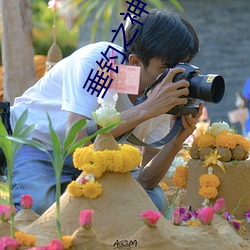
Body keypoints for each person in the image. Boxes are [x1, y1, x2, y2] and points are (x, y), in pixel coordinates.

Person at [6, 9, 202, 215]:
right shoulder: (99, 61)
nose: (175, 76)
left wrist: (176, 140)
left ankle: (70, 199)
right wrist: (147, 108)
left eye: (182, 66)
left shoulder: (164, 90)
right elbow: (76, 139)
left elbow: (146, 180)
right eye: (167, 68)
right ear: (135, 62)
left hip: (95, 157)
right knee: (39, 208)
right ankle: (64, 197)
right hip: (37, 143)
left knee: (152, 202)